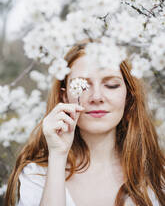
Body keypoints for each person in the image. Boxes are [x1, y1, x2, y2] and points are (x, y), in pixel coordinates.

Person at [5, 38, 165, 206]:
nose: (96, 97)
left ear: (129, 97)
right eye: (82, 86)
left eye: (111, 85)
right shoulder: (36, 175)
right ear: (64, 96)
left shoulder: (157, 177)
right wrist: (58, 156)